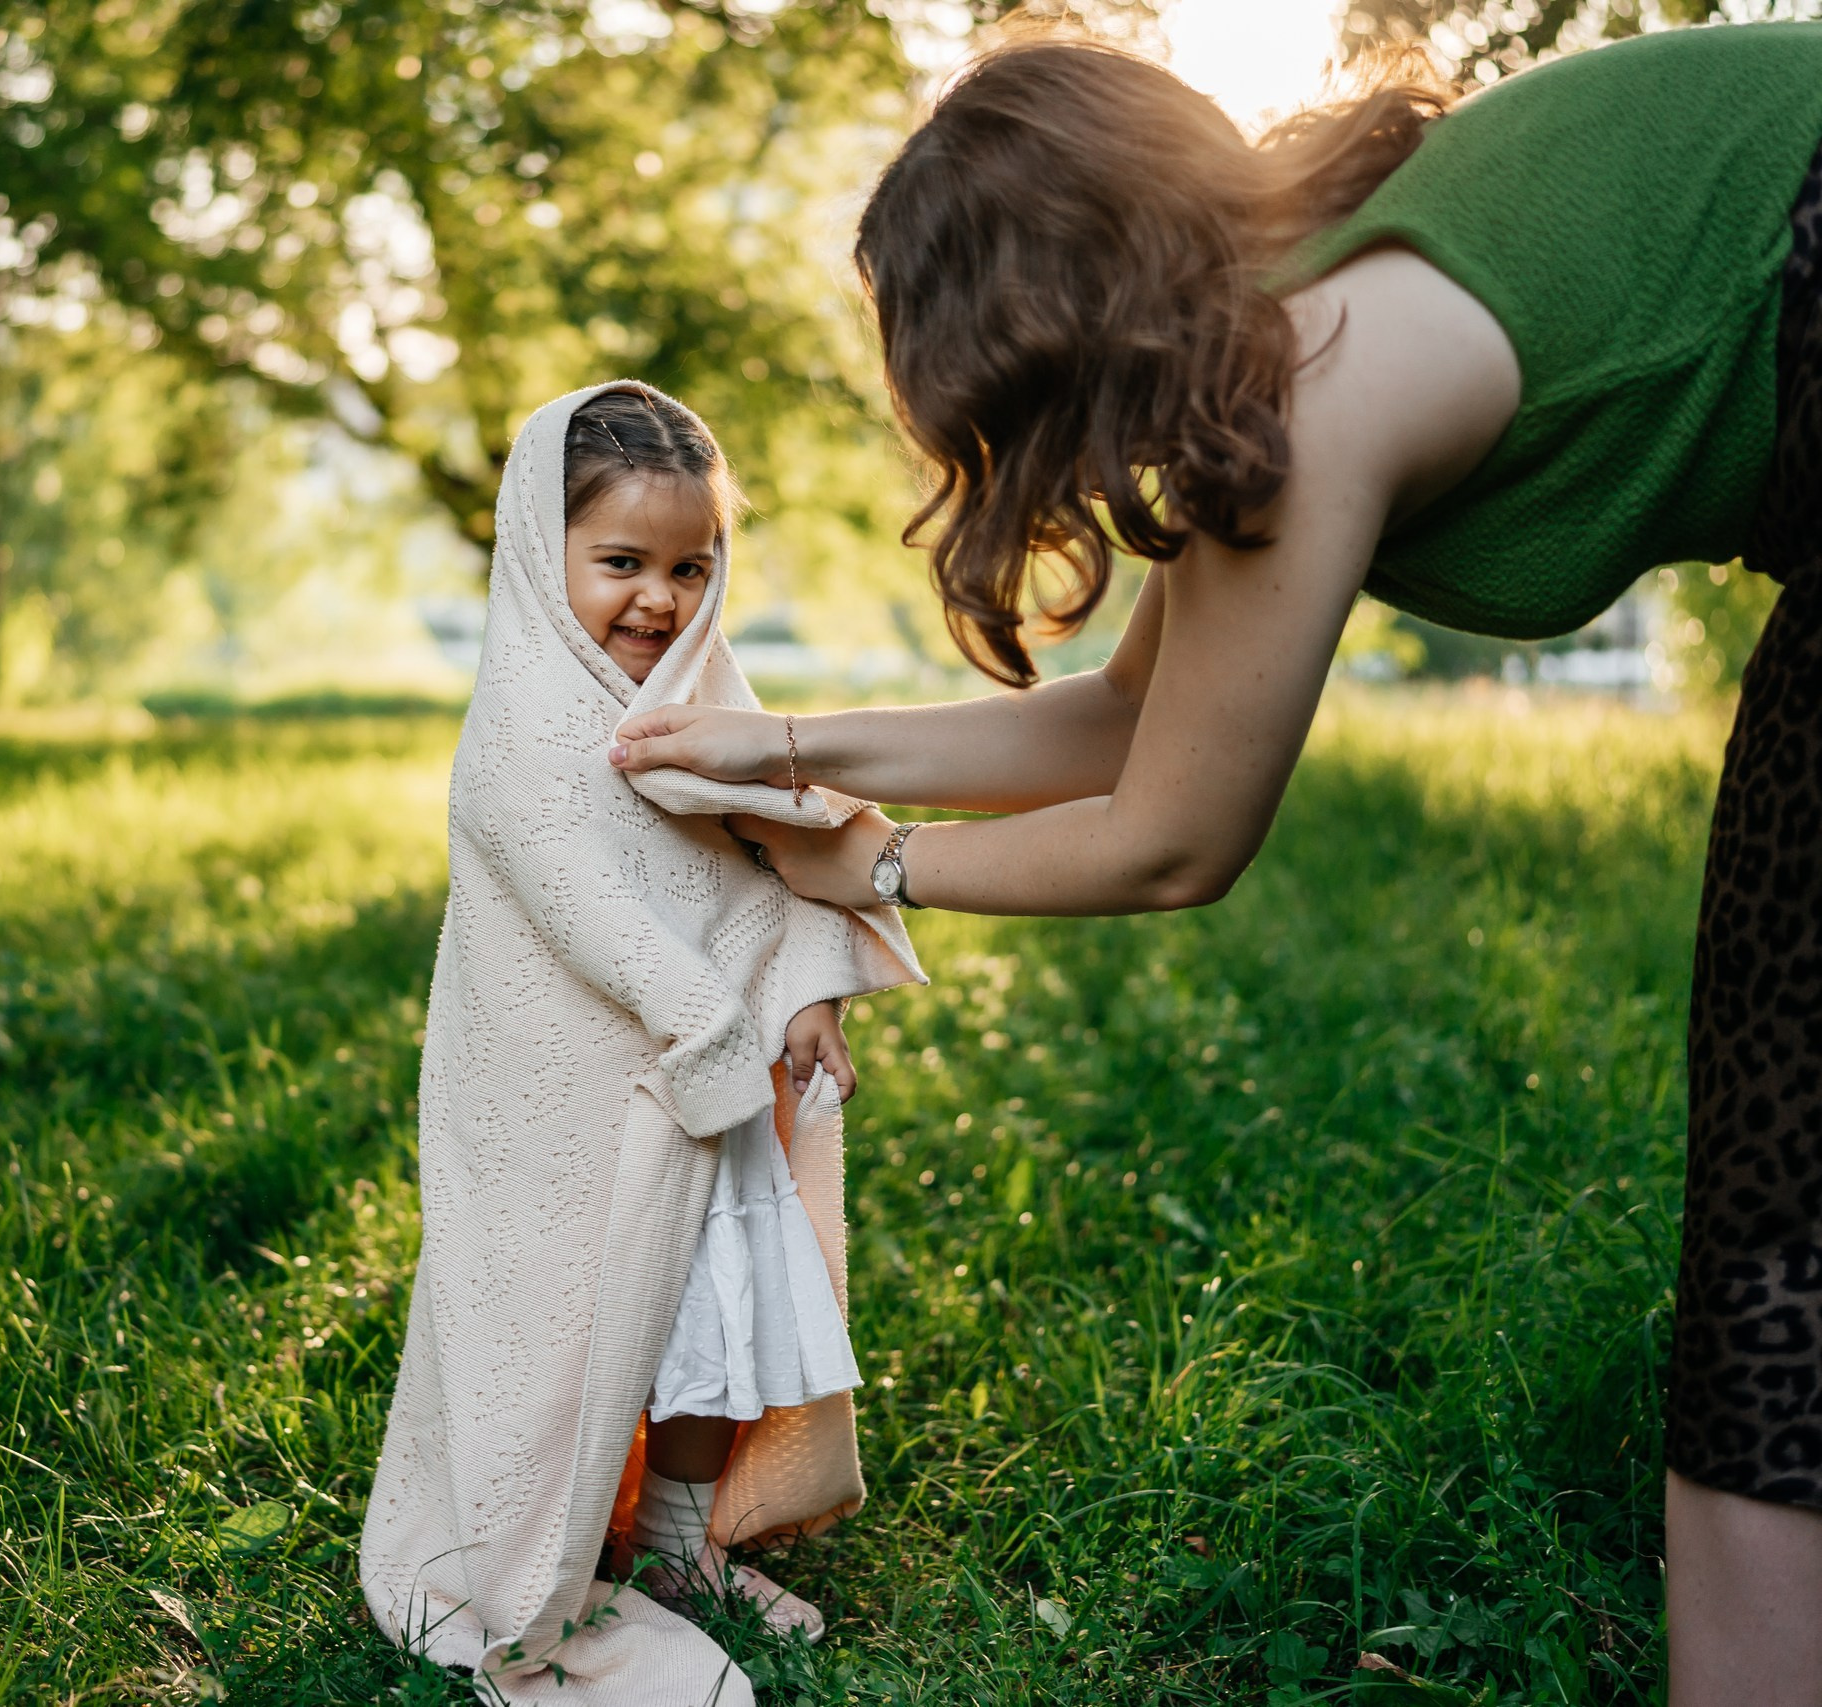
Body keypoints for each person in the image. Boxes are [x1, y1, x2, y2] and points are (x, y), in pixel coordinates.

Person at [605, 23, 1822, 1705]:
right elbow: (1123, 722)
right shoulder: (1315, 327)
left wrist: (877, 876)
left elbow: (1175, 836)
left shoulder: (1313, 386)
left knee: (1790, 1175)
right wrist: (790, 748)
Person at [358, 382, 924, 1705]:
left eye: (691, 567)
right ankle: (532, 1556)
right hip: (584, 1124)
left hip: (708, 1116)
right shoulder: (516, 742)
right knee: (580, 1339)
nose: (659, 601)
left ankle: (681, 1549)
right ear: (540, 560)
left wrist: (804, 993)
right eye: (620, 564)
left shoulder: (706, 707)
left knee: (708, 1337)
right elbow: (595, 918)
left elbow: (766, 872)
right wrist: (711, 1023)